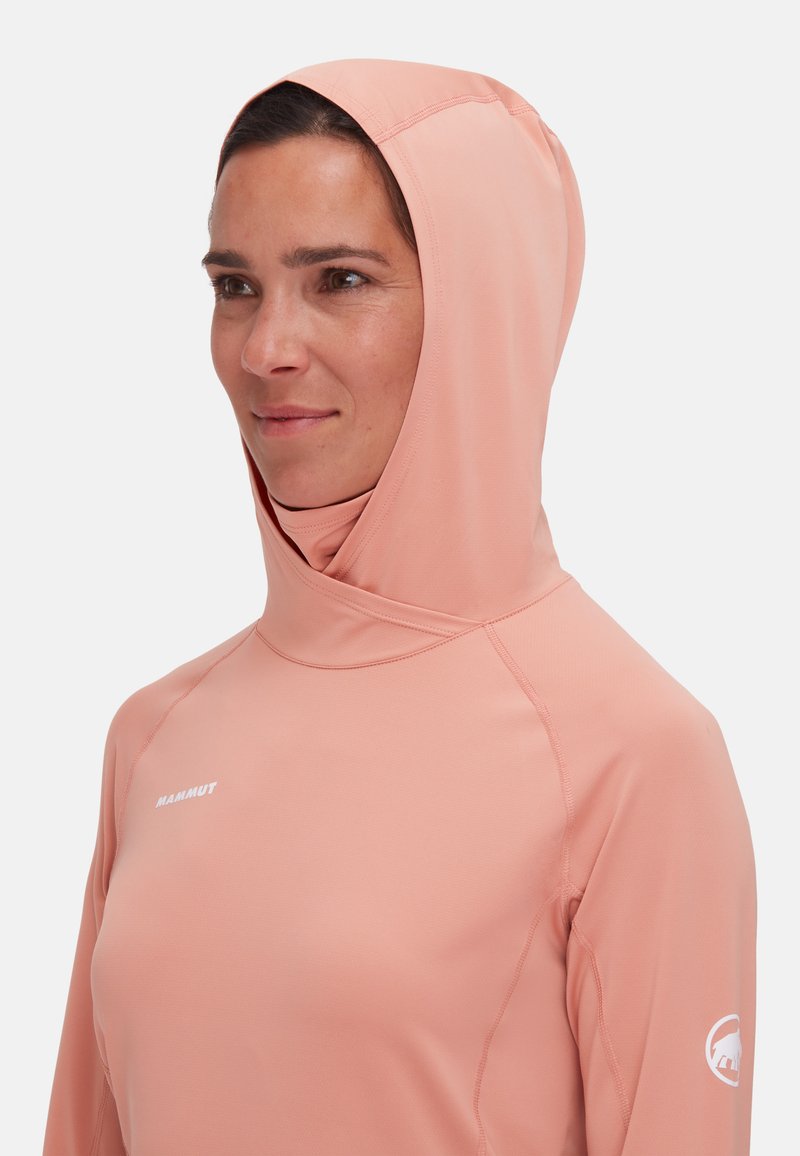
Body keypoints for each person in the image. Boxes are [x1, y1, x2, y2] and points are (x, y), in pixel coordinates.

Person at [42, 59, 756, 1155]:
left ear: (482, 309)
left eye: (338, 279)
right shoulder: (154, 736)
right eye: (235, 286)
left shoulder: (631, 751)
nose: (265, 349)